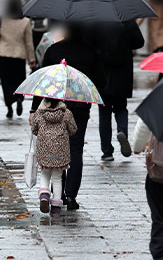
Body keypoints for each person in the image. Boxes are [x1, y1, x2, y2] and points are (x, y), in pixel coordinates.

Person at [30, 24, 105, 210]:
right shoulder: (90, 52)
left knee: (57, 145)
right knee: (76, 150)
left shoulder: (54, 50)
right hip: (79, 109)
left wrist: (33, 109)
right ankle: (71, 196)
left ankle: (58, 193)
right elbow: (101, 81)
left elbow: (43, 81)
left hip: (55, 106)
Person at [95, 20, 144, 161]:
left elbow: (90, 42)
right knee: (121, 108)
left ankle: (107, 151)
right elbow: (139, 42)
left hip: (102, 73)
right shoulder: (127, 20)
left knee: (104, 113)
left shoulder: (98, 21)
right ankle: (122, 131)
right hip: (122, 73)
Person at [133, 117, 163, 260]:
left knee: (160, 215)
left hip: (159, 170)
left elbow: (143, 127)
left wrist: (137, 147)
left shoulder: (159, 100)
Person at [0, 0, 36, 118]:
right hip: (19, 56)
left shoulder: (0, 19)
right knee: (19, 80)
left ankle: (9, 107)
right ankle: (19, 98)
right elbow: (29, 42)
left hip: (3, 54)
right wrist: (32, 59)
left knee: (6, 82)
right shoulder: (26, 21)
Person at [31, 98, 77, 217]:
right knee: (57, 178)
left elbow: (34, 129)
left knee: (45, 174)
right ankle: (56, 209)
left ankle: (44, 196)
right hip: (60, 151)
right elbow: (73, 130)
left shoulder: (40, 113)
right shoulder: (66, 113)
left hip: (44, 150)